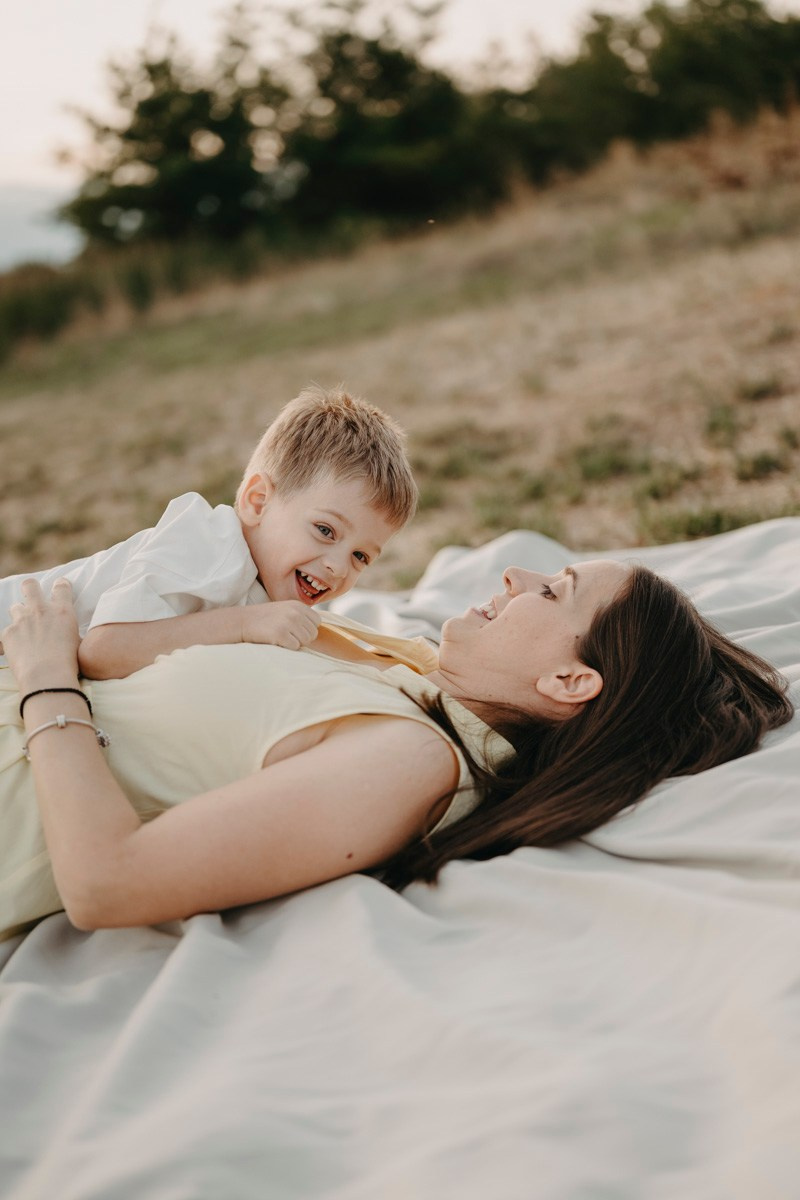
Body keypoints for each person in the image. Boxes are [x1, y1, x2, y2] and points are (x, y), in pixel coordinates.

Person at [0, 558, 792, 941]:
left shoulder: (405, 764)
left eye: (551, 591)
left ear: (567, 679)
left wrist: (45, 680)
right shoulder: (421, 676)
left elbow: (107, 884)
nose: (516, 573)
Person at [0, 385, 418, 678]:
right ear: (257, 502)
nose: (337, 567)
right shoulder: (205, 543)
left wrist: (391, 669)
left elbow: (310, 640)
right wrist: (242, 624)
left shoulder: (276, 582)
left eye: (361, 556)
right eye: (326, 530)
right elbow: (101, 652)